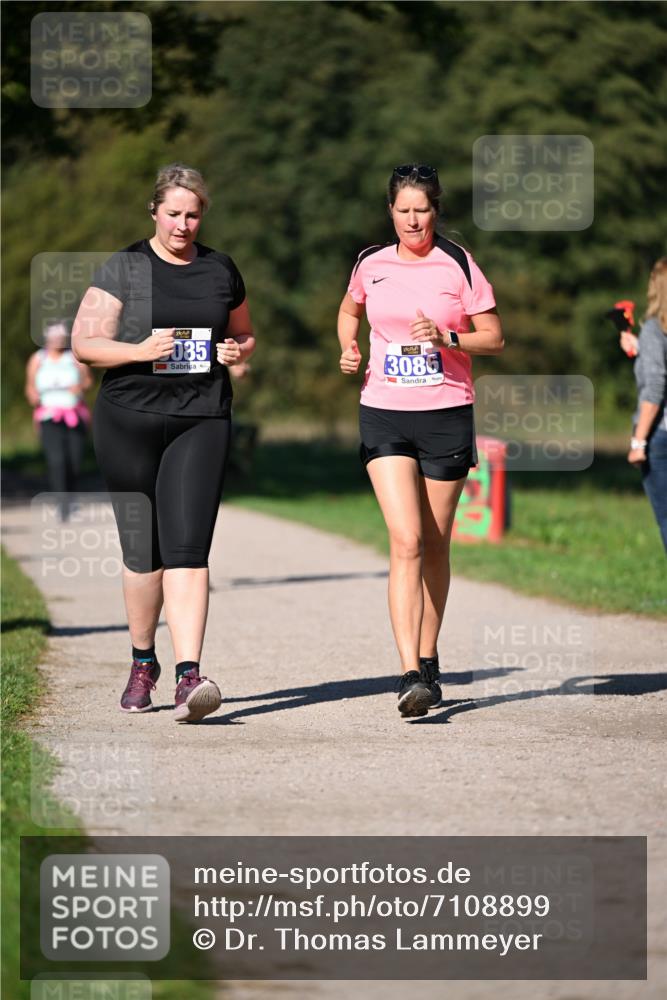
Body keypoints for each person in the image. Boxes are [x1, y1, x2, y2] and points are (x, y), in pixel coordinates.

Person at [72, 163, 255, 722]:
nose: (183, 224)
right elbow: (85, 344)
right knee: (143, 553)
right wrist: (139, 350)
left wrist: (236, 353)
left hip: (202, 416)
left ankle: (189, 675)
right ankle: (142, 662)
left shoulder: (220, 269)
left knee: (188, 548)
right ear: (154, 211)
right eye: (173, 213)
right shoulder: (126, 266)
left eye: (193, 214)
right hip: (129, 417)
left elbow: (243, 333)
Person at [337, 164, 504, 718]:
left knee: (435, 542)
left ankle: (430, 658)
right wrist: (350, 346)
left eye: (423, 209)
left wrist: (448, 336)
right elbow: (349, 309)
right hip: (383, 411)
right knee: (405, 539)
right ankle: (409, 671)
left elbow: (494, 337)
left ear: (436, 210)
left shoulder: (457, 263)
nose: (414, 219)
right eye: (404, 209)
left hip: (446, 413)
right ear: (391, 210)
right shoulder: (370, 262)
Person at [620, 257, 667, 552]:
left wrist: (638, 442)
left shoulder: (654, 330)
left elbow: (656, 388)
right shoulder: (650, 336)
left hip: (661, 436)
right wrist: (642, 352)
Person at [25, 319, 93, 518]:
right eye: (53, 337)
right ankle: (62, 505)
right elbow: (29, 388)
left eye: (60, 337)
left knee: (73, 461)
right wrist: (33, 396)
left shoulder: (74, 358)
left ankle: (70, 498)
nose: (57, 340)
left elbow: (88, 381)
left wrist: (80, 387)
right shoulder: (38, 359)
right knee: (57, 461)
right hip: (48, 416)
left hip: (74, 415)